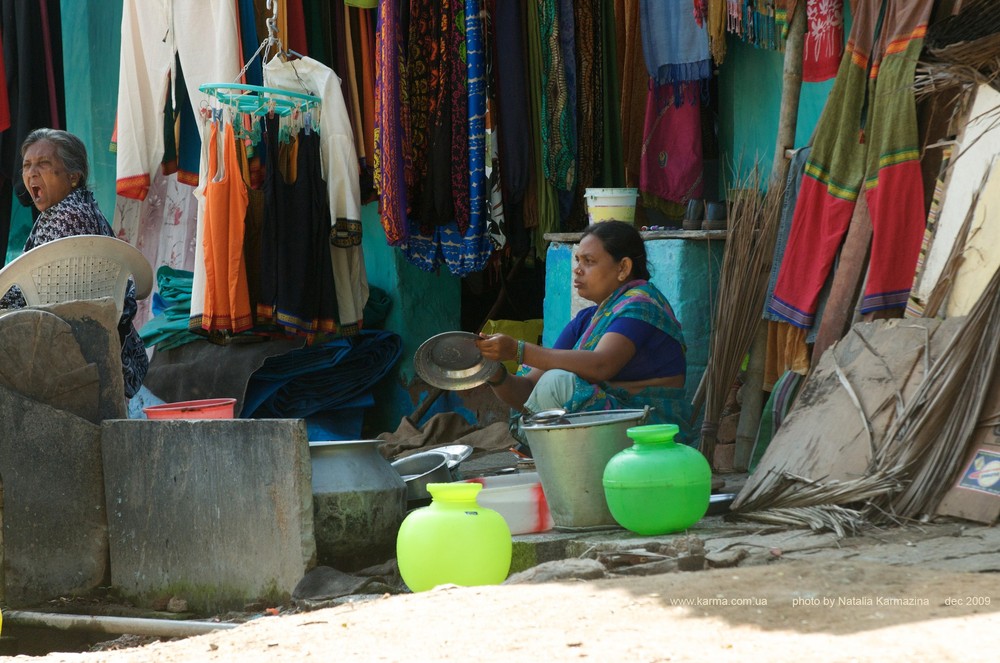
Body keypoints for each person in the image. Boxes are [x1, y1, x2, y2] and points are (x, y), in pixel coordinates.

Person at [475, 220, 691, 443]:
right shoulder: (587, 320)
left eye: (589, 261)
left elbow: (601, 365)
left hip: (652, 430)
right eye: (578, 260)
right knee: (551, 383)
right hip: (609, 430)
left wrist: (517, 350)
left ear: (623, 268)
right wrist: (492, 372)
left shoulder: (641, 308)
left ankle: (562, 466)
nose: (577, 269)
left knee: (556, 382)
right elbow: (530, 392)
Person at [0, 128, 148, 398]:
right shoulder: (81, 208)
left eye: (43, 163)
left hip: (70, 350)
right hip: (106, 353)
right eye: (26, 165)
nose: (32, 172)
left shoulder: (68, 218)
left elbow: (29, 301)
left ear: (73, 177)